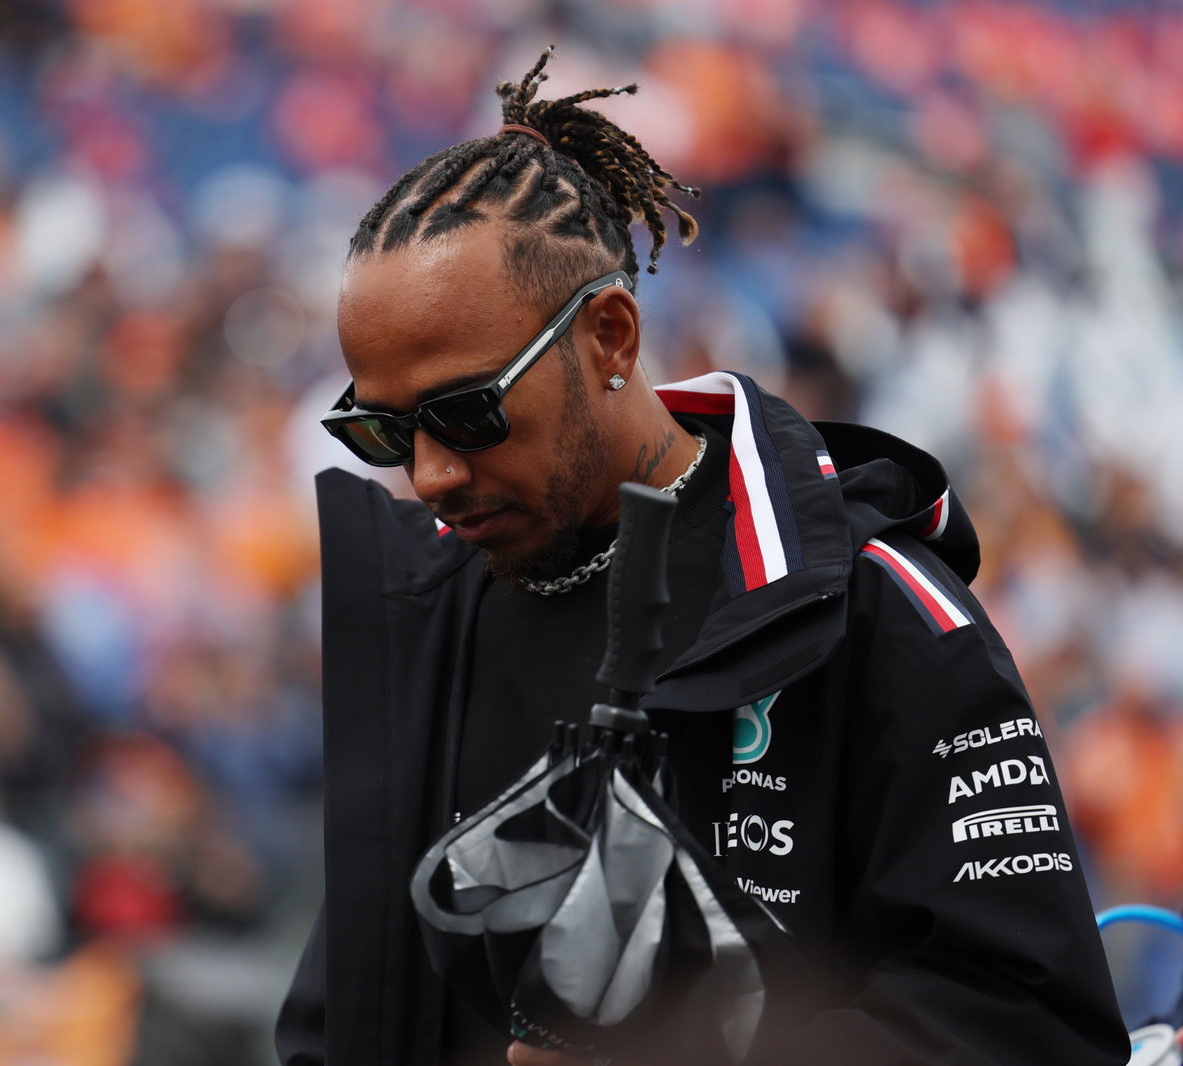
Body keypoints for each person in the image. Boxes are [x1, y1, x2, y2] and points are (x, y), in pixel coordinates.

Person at [276, 49, 1127, 1066]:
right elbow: (345, 1021)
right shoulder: (424, 619)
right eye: (381, 431)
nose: (428, 476)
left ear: (610, 337)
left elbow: (1033, 1024)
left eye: (466, 413)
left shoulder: (871, 607)